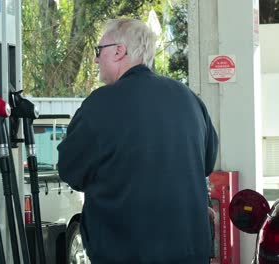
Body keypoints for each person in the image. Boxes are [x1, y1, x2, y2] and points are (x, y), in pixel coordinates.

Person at [57, 18, 218, 264]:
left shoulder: (101, 104)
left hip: (126, 251)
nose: (95, 59)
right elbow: (206, 163)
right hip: (190, 251)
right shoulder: (189, 99)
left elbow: (70, 170)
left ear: (119, 51)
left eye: (99, 51)